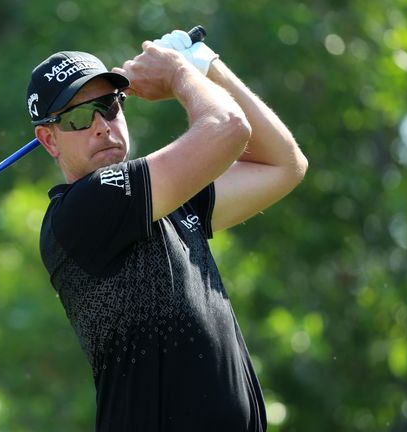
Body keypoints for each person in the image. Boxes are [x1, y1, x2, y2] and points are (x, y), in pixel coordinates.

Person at [26, 29, 307, 432]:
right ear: (49, 141)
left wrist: (208, 66)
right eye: (77, 118)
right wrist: (179, 74)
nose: (101, 126)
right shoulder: (83, 208)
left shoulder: (166, 202)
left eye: (108, 106)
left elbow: (284, 164)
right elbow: (227, 127)